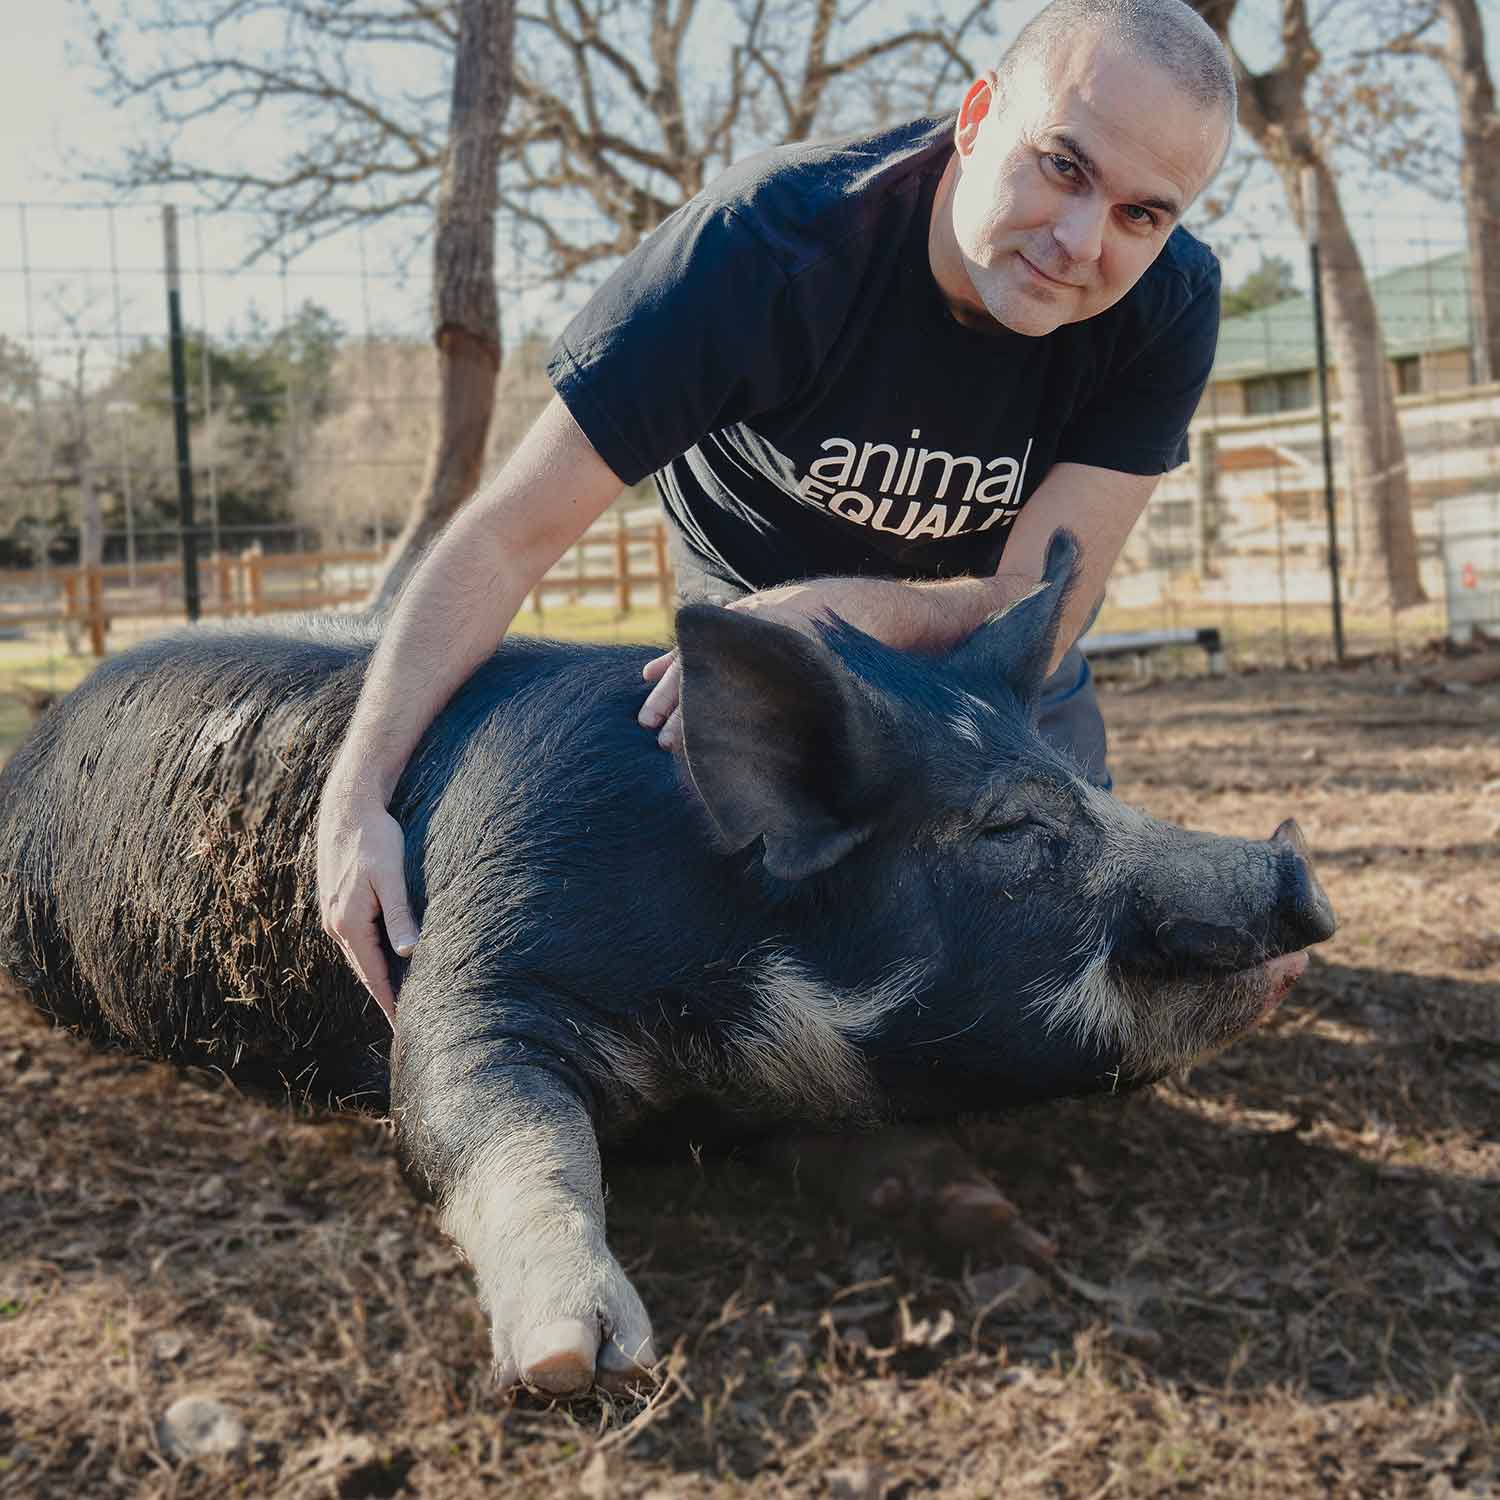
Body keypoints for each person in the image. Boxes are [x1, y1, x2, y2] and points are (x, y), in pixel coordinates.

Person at [318, 0, 1236, 1023]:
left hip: (985, 642)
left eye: (1140, 214)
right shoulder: (760, 249)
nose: (1080, 240)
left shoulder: (1171, 305)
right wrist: (358, 793)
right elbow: (504, 538)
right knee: (758, 928)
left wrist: (849, 614)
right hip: (756, 616)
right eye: (1062, 165)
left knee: (1067, 944)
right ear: (977, 119)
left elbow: (1041, 604)